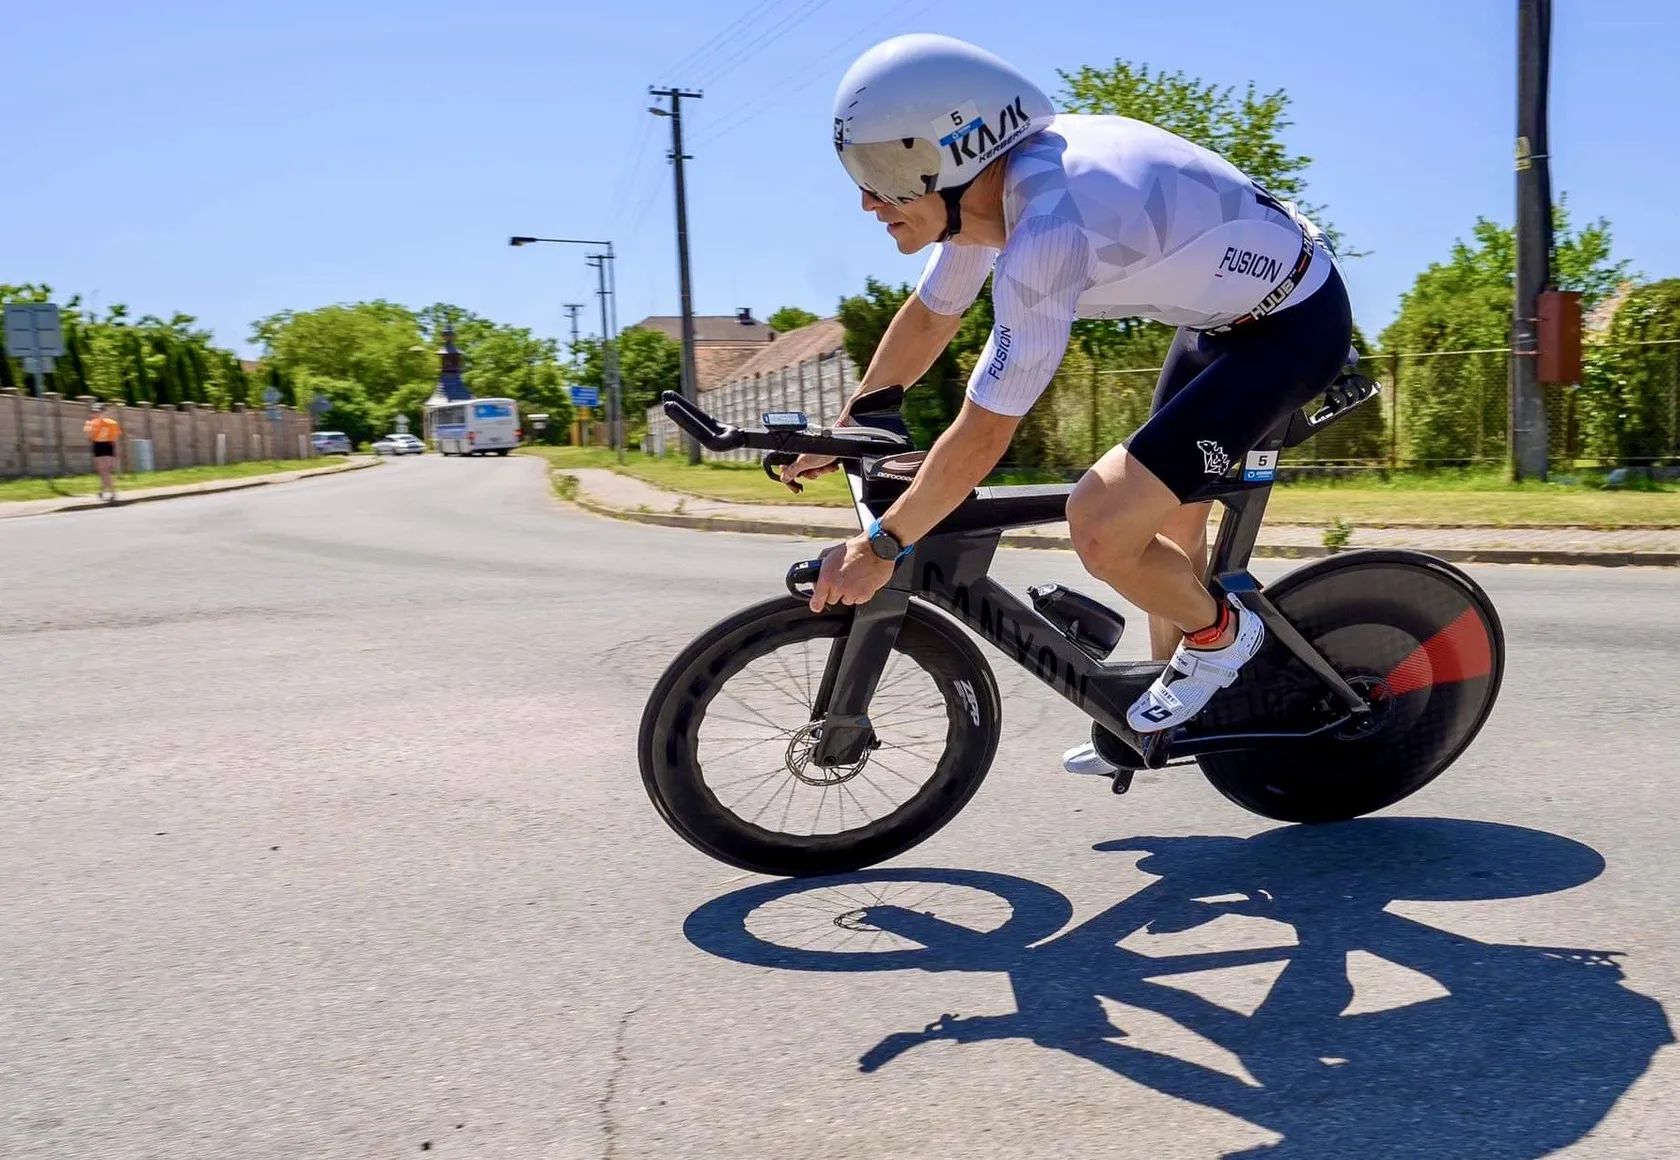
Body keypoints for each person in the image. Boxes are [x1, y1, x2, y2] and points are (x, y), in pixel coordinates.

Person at [783, 34, 1353, 776]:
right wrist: (856, 419)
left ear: (964, 150)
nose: (867, 199)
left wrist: (882, 548)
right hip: (1223, 320)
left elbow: (983, 435)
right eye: (861, 172)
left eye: (886, 172)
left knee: (1104, 524)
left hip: (1292, 328)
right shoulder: (989, 197)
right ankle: (1162, 717)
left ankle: (1224, 638)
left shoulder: (1046, 232)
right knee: (1169, 532)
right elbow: (929, 318)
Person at [83, 401, 122, 503]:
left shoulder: (111, 423)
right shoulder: (91, 423)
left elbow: (115, 438)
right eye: (94, 412)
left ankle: (113, 492)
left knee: (106, 470)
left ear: (104, 412)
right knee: (101, 470)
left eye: (98, 412)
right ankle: (103, 490)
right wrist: (89, 429)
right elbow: (89, 437)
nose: (95, 414)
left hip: (108, 445)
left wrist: (116, 453)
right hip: (97, 445)